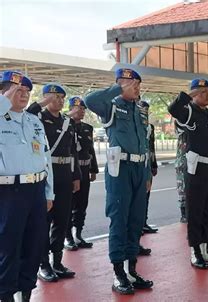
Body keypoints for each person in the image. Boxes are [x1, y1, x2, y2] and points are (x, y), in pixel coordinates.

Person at [85, 68, 153, 295]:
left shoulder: (140, 109)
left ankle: (131, 269)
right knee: (119, 220)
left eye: (138, 85)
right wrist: (118, 89)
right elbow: (89, 100)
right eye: (133, 84)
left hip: (139, 169)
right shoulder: (111, 105)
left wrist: (147, 175)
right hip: (120, 169)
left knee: (136, 221)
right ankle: (118, 273)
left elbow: (144, 142)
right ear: (121, 83)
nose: (137, 89)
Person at [0, 71, 53, 302]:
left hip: (36, 191)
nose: (23, 95)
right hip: (9, 193)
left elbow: (46, 157)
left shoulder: (34, 121)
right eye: (17, 90)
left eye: (26, 92)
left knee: (34, 246)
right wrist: (5, 99)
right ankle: (6, 295)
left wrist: (48, 191)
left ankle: (26, 293)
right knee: (8, 248)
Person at [168, 78, 208, 269]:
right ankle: (195, 251)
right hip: (195, 168)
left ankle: (205, 249)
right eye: (202, 92)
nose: (207, 95)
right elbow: (173, 109)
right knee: (195, 211)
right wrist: (190, 96)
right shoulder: (188, 111)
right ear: (193, 94)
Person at [27, 84, 80, 282]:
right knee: (44, 221)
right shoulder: (37, 117)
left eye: (61, 98)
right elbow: (29, 110)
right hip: (47, 174)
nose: (59, 101)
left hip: (65, 173)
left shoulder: (67, 121)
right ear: (46, 97)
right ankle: (44, 264)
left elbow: (72, 150)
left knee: (62, 219)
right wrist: (42, 102)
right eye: (55, 97)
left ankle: (57, 261)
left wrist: (76, 176)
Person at [64, 97, 98, 251]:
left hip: (84, 170)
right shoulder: (65, 124)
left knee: (82, 204)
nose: (81, 111)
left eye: (83, 109)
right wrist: (69, 116)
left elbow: (91, 150)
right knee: (69, 204)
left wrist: (93, 169)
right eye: (78, 108)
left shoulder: (87, 128)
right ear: (71, 109)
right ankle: (68, 237)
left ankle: (78, 234)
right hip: (70, 171)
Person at [138, 100, 159, 234]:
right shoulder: (136, 124)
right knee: (138, 196)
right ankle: (137, 224)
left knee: (146, 194)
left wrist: (154, 164)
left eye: (146, 110)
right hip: (138, 163)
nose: (144, 112)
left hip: (148, 165)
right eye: (142, 110)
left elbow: (151, 148)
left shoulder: (150, 127)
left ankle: (144, 222)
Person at [174, 121, 188, 222]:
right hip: (182, 162)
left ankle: (189, 212)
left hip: (192, 161)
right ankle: (184, 214)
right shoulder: (180, 123)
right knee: (182, 189)